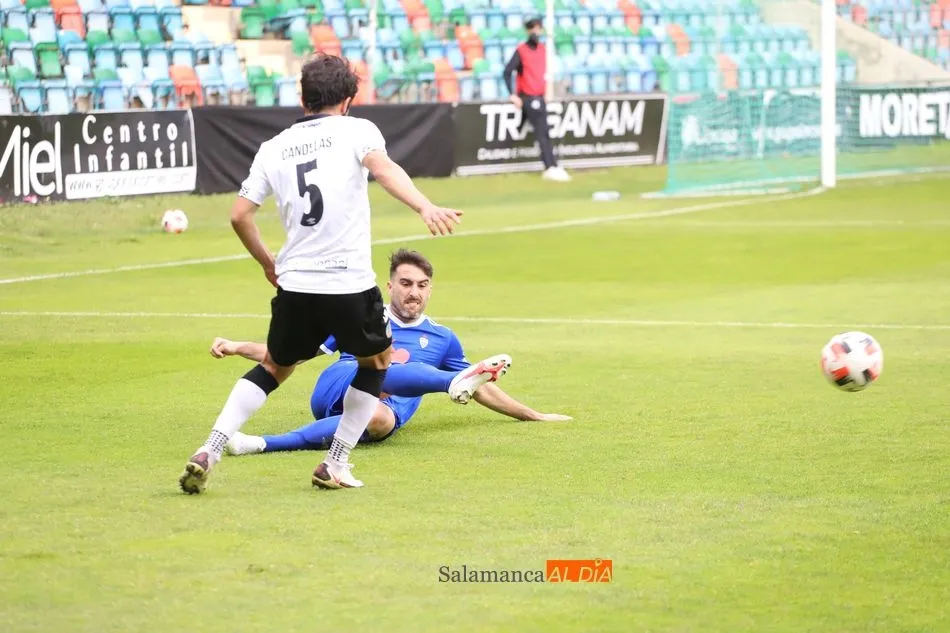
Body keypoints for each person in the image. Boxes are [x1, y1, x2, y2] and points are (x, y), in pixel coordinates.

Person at [178, 56, 462, 495]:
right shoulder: (357, 130)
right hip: (348, 281)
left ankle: (210, 448)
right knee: (377, 362)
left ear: (302, 97)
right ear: (347, 100)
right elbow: (384, 169)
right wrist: (425, 206)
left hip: (295, 282)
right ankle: (335, 463)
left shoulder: (273, 146)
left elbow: (239, 216)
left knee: (274, 367)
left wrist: (268, 263)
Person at [209, 249, 572, 456]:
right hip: (340, 385)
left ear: (430, 289)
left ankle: (258, 444)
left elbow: (483, 387)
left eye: (422, 285)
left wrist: (532, 415)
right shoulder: (364, 320)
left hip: (383, 410)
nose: (414, 292)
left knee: (381, 420)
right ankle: (450, 382)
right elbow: (292, 354)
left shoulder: (443, 337)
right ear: (390, 286)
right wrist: (237, 346)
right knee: (387, 365)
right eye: (406, 283)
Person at [502, 17, 571, 183]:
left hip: (540, 97)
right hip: (528, 97)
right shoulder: (521, 50)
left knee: (545, 131)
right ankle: (550, 166)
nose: (536, 32)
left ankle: (553, 165)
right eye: (533, 28)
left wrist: (548, 91)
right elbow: (507, 72)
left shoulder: (543, 50)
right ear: (528, 30)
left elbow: (546, 73)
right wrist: (512, 94)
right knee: (542, 131)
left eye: (538, 28)